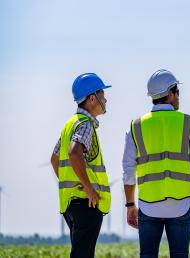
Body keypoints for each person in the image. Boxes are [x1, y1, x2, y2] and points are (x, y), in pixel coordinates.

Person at [122, 69, 190, 258]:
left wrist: (130, 204)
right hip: (180, 205)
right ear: (170, 94)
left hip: (148, 205)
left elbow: (128, 170)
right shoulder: (188, 123)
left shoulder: (136, 126)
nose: (179, 97)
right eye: (178, 93)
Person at [50, 73, 112, 258]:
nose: (106, 99)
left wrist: (72, 184)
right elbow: (73, 153)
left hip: (70, 204)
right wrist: (88, 188)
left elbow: (54, 160)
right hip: (87, 204)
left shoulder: (69, 125)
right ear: (92, 98)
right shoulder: (85, 125)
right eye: (102, 94)